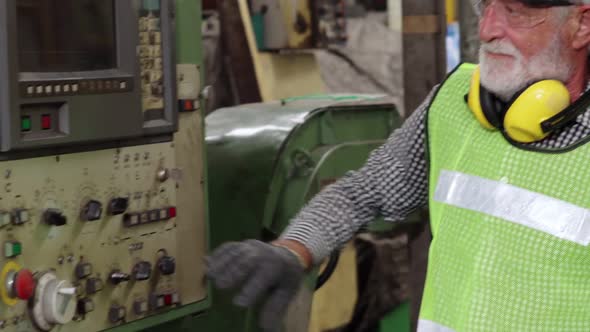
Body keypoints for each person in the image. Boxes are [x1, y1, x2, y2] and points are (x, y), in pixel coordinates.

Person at [206, 0, 590, 331]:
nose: (489, 28)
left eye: (515, 12)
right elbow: (363, 192)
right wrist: (294, 249)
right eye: (484, 6)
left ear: (582, 24)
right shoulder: (454, 104)